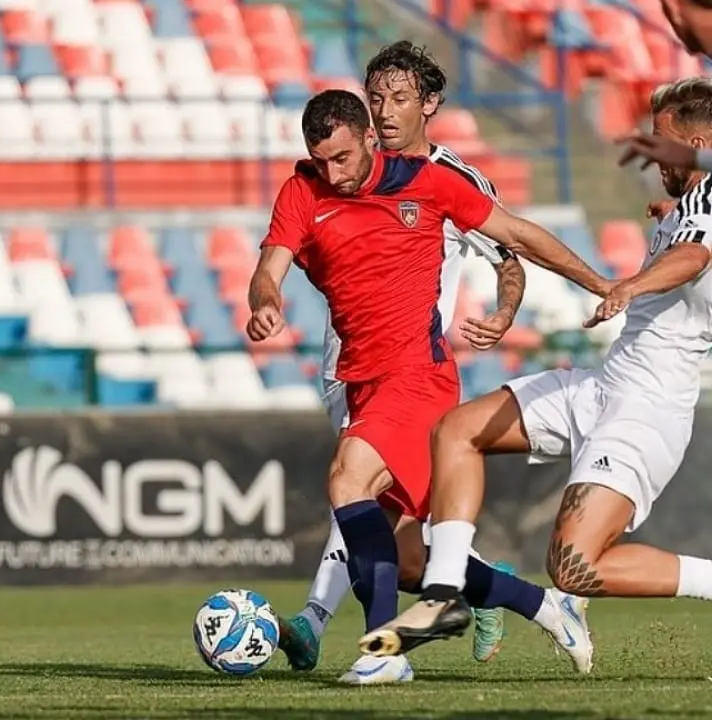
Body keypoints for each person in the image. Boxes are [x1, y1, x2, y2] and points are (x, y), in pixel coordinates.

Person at [247, 88, 608, 684]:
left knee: (347, 477)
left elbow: (517, 236)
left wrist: (601, 283)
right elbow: (269, 268)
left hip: (418, 375)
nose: (332, 173)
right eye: (320, 160)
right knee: (409, 560)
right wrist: (265, 302)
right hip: (360, 380)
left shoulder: (429, 183)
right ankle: (548, 606)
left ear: (368, 137)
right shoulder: (302, 191)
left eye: (341, 158)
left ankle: (385, 655)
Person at [358, 76, 712, 662]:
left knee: (573, 566)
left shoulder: (707, 197)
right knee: (456, 430)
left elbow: (694, 256)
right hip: (605, 385)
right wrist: (670, 211)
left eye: (664, 142)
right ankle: (444, 591)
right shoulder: (690, 202)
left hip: (648, 410)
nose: (656, 155)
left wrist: (631, 284)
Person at [276, 41, 524, 685]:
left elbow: (509, 257)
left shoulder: (448, 180)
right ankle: (488, 591)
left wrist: (502, 313)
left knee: (353, 486)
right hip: (349, 360)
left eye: (401, 99)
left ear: (430, 105)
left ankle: (324, 624)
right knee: (395, 538)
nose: (386, 111)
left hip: (415, 366)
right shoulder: (350, 168)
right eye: (377, 98)